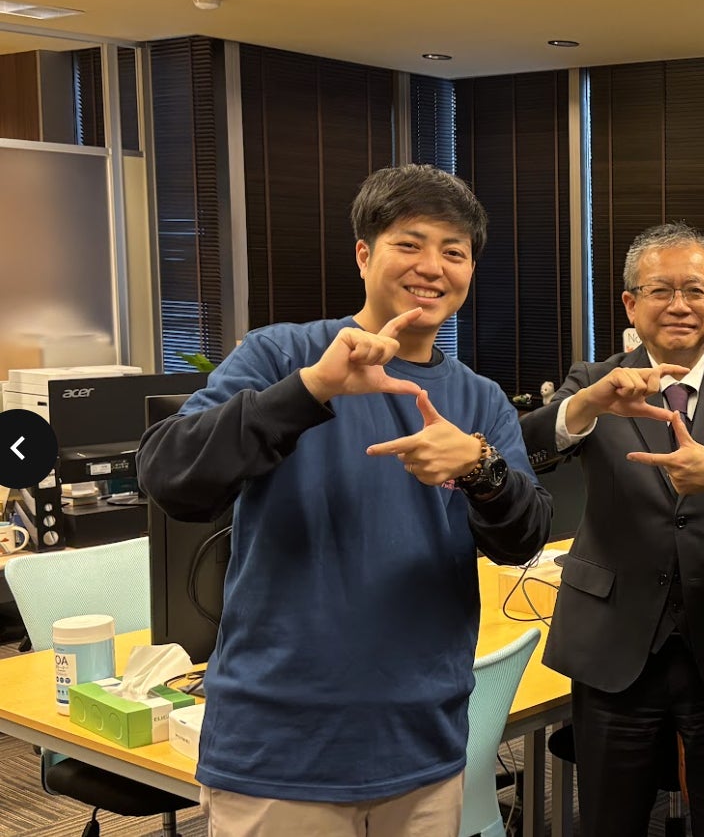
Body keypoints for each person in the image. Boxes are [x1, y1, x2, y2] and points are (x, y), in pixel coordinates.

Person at [137, 164, 552, 835]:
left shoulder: (479, 399)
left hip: (423, 744)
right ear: (363, 254)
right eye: (409, 244)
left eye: (454, 252)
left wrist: (482, 469)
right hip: (280, 746)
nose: (432, 267)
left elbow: (523, 539)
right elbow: (169, 475)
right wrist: (311, 390)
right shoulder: (283, 356)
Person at [519, 222, 704, 836]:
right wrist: (587, 405)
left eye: (695, 290)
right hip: (614, 640)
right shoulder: (594, 380)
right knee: (610, 820)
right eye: (660, 290)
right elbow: (524, 449)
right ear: (631, 305)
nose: (679, 304)